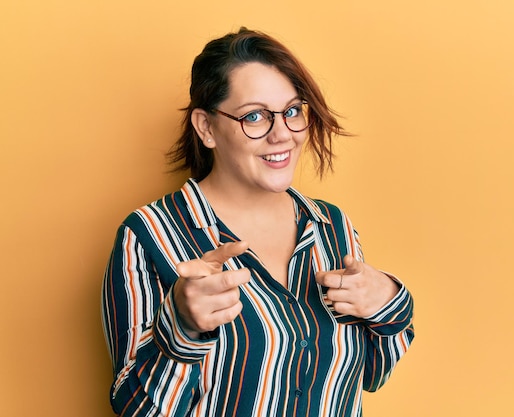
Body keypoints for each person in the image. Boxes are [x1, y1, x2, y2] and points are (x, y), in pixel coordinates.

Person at [101, 27, 414, 417]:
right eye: (254, 116)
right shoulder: (147, 235)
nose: (282, 134)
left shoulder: (334, 228)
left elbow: (370, 373)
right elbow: (135, 409)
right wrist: (181, 329)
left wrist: (388, 301)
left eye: (293, 110)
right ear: (206, 128)